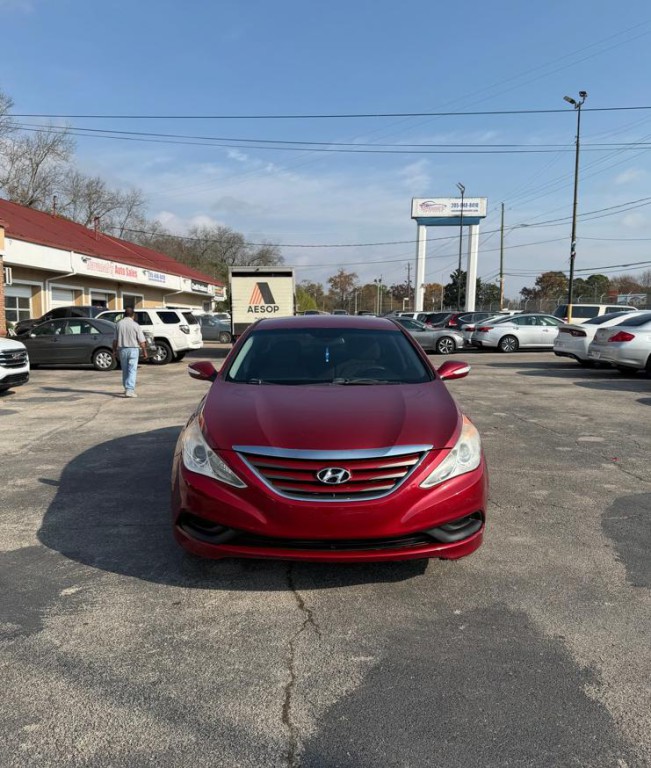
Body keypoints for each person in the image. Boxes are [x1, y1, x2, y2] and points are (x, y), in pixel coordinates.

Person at [112, 307, 148, 398]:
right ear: (133, 315)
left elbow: (115, 340)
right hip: (133, 350)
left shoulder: (118, 324)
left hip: (122, 349)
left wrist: (114, 350)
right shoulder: (135, 325)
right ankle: (130, 389)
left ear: (124, 314)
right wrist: (144, 352)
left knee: (125, 370)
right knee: (132, 370)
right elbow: (142, 341)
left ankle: (126, 388)